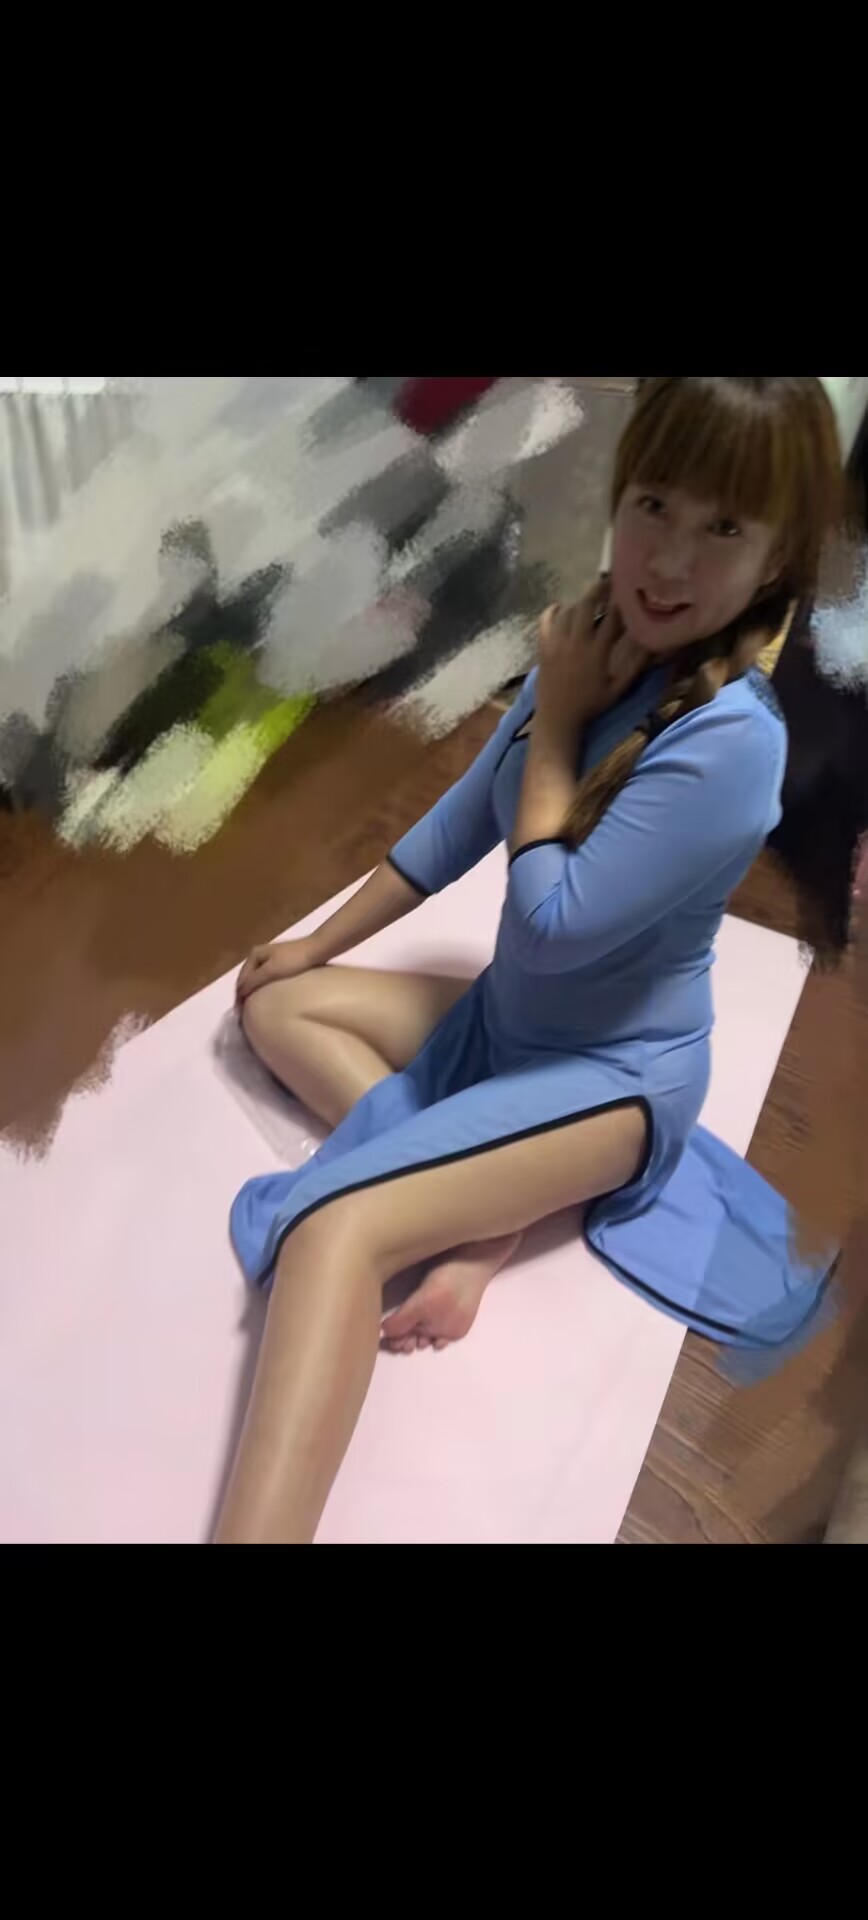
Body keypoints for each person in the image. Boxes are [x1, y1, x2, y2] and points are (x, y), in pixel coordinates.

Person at [217, 377, 842, 1545]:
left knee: (334, 1233)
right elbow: (464, 817)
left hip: (611, 1079)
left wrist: (555, 720)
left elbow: (551, 920)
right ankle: (479, 1209)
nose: (669, 560)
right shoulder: (592, 636)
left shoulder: (733, 747)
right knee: (279, 1009)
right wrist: (315, 942)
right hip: (509, 1026)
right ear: (620, 493)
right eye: (653, 505)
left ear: (777, 558)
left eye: (722, 528)